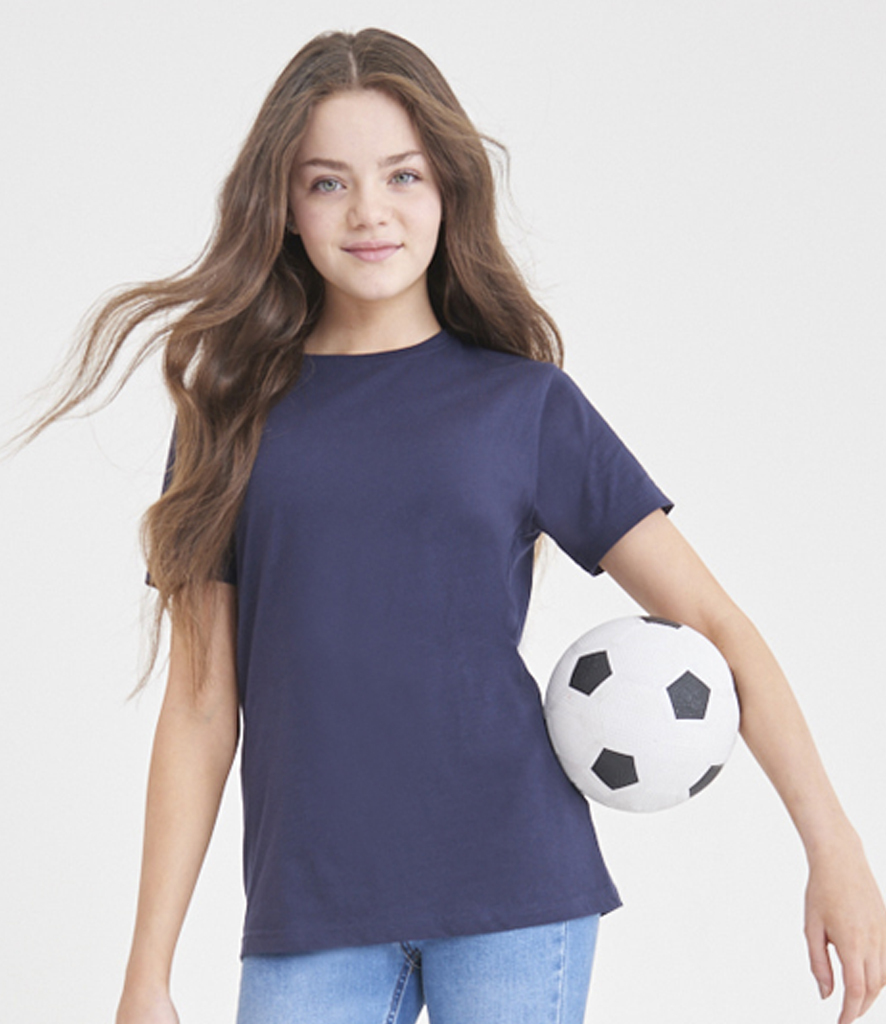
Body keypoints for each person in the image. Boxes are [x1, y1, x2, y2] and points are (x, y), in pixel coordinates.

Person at [11, 26, 886, 1024]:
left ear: (448, 190)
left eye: (403, 175)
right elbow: (201, 707)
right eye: (328, 182)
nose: (370, 211)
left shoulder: (527, 407)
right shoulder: (227, 419)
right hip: (311, 910)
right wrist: (147, 972)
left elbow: (717, 626)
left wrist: (834, 850)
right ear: (285, 206)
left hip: (517, 891)